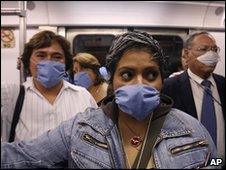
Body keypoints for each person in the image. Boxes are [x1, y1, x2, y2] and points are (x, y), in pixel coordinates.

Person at [1, 31, 218, 169]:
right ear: (111, 81)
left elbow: (216, 162)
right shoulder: (82, 129)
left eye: (150, 74)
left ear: (163, 80)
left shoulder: (192, 131)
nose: (139, 83)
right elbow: (20, 156)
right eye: (127, 75)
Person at [1, 30, 97, 142]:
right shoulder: (11, 96)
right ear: (28, 61)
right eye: (41, 55)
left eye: (57, 57)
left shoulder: (83, 95)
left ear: (66, 63)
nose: (48, 61)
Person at [162, 31, 225, 163]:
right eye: (203, 49)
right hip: (186, 162)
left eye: (214, 50)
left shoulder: (223, 85)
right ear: (186, 54)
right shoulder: (169, 87)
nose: (211, 55)